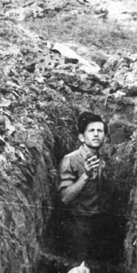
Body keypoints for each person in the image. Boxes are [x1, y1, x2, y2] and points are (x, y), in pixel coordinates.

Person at [58, 112, 109, 262]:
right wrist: (85, 176)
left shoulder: (102, 161)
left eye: (100, 131)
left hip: (98, 224)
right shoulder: (70, 160)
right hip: (77, 225)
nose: (96, 134)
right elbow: (65, 198)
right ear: (81, 137)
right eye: (91, 131)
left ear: (105, 138)